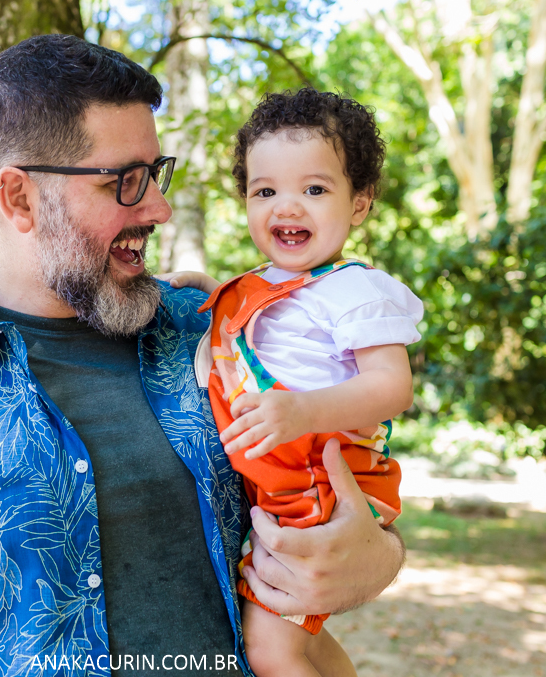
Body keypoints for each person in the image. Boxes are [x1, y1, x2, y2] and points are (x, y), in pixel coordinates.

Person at [0, 36, 406, 677]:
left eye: (155, 173)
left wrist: (378, 560)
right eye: (125, 182)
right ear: (20, 198)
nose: (159, 209)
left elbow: (346, 480)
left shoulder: (216, 333)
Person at [160, 88, 423, 677]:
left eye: (315, 189)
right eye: (266, 191)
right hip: (282, 486)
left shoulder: (356, 290)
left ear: (360, 203)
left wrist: (302, 412)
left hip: (320, 487)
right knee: (300, 640)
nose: (288, 207)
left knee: (269, 649)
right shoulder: (266, 282)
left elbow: (392, 387)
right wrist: (215, 293)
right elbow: (265, 335)